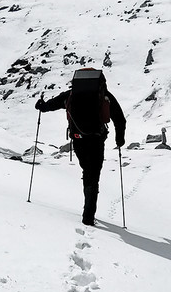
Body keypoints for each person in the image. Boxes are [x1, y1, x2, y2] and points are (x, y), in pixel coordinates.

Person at [37, 68, 126, 225]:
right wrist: (120, 140)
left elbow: (52, 104)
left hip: (78, 139)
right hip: (96, 139)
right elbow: (119, 119)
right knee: (93, 174)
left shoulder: (71, 95)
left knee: (87, 171)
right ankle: (88, 215)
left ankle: (88, 209)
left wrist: (42, 106)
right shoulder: (104, 96)